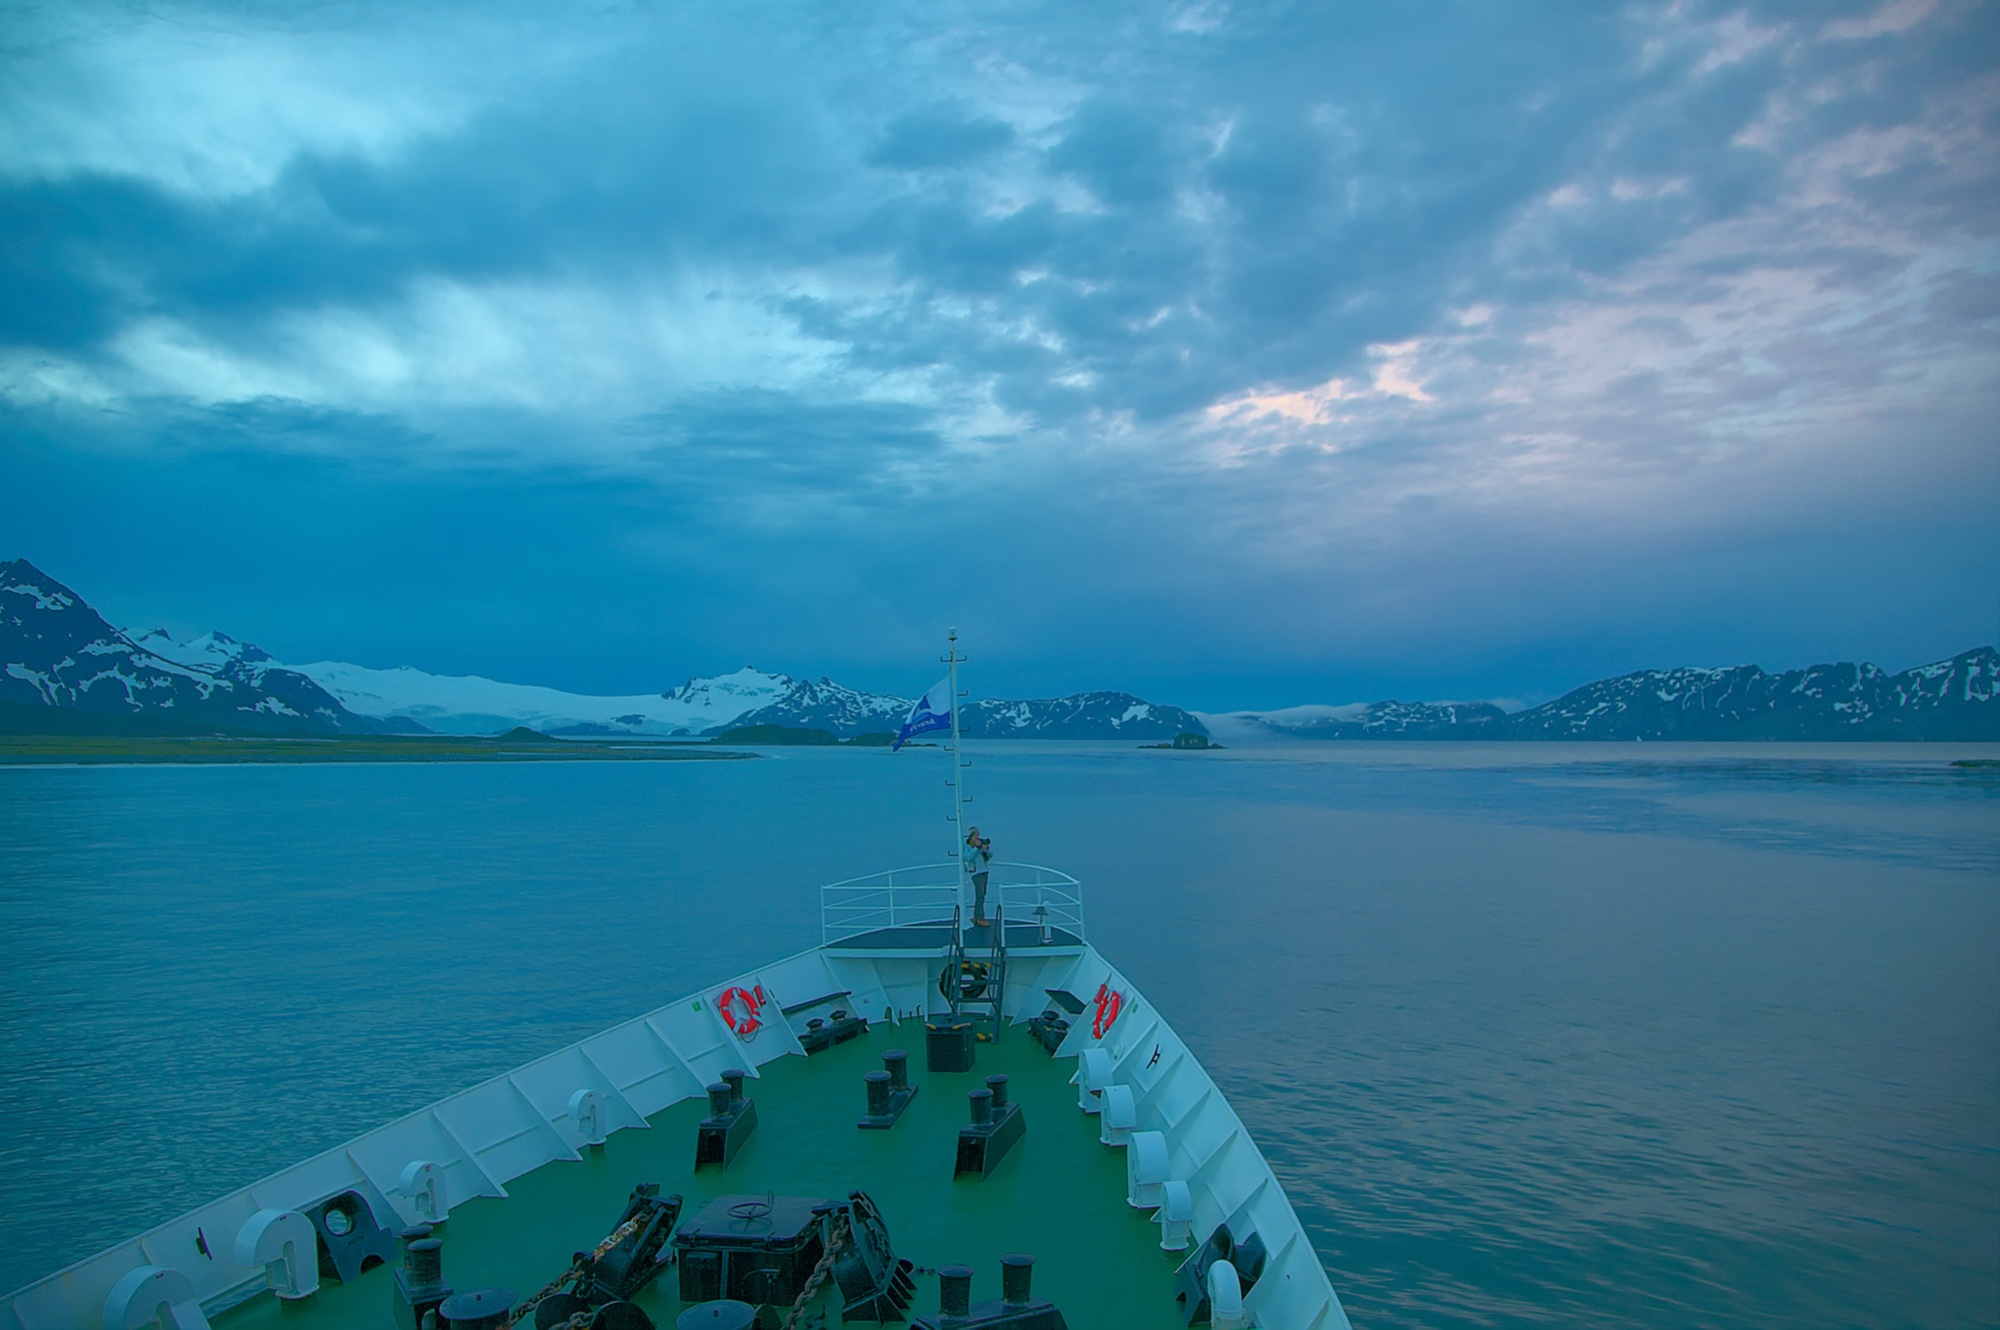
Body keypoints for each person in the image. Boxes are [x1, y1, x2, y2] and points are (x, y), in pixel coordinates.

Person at [963, 826, 993, 926]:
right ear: (971, 836)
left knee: (982, 894)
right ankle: (980, 917)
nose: (978, 837)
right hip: (976, 872)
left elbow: (990, 856)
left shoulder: (980, 846)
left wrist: (985, 849)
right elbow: (968, 858)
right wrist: (976, 848)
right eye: (976, 835)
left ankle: (976, 916)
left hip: (984, 871)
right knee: (980, 894)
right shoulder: (968, 846)